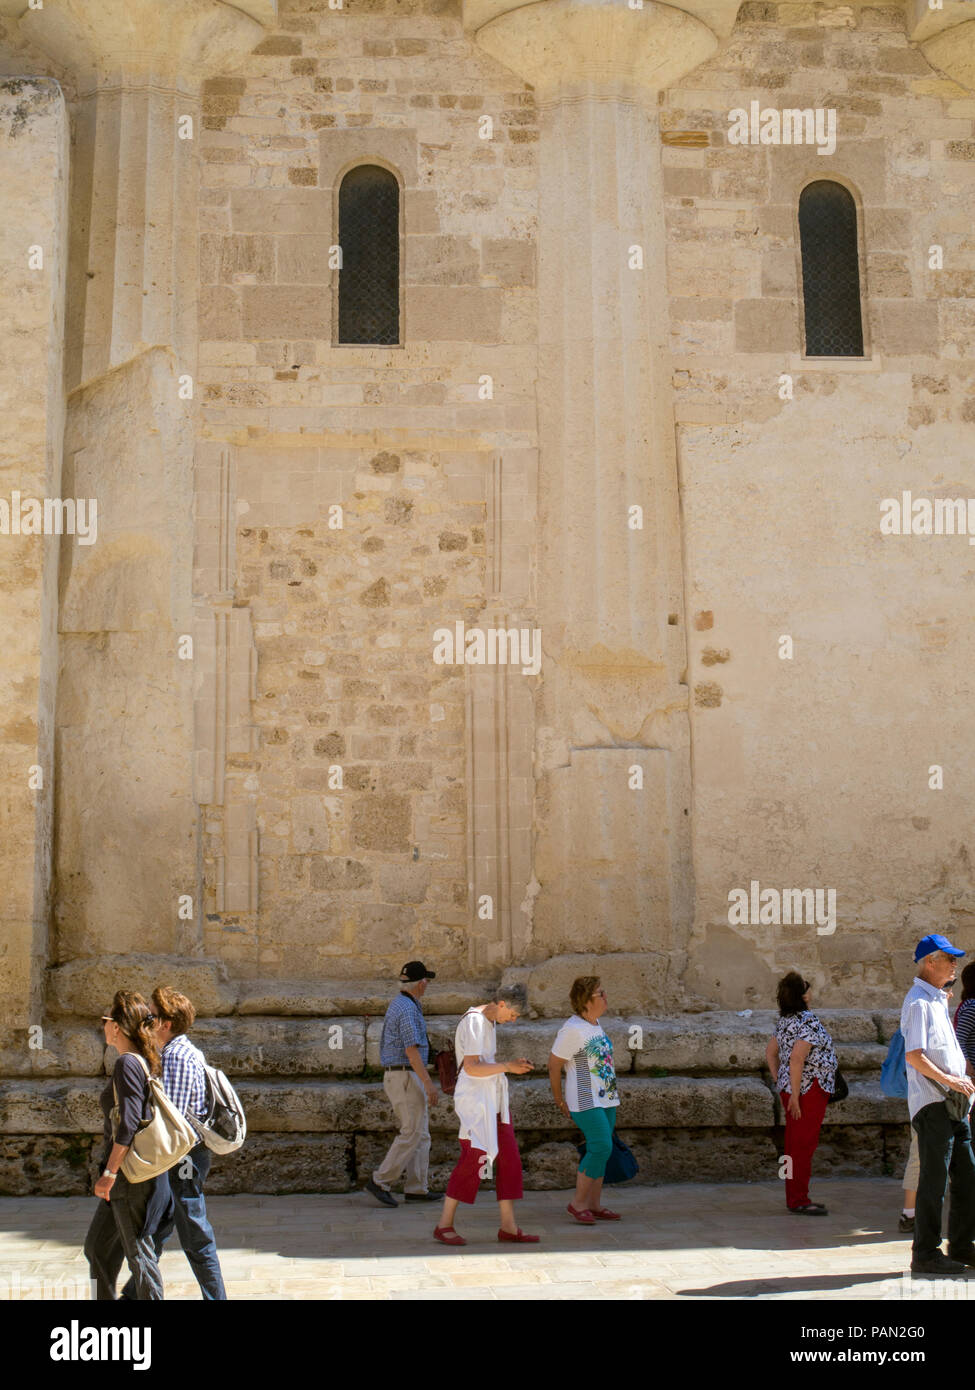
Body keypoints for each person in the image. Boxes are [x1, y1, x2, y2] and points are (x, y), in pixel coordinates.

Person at [120, 986, 226, 1300]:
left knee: (194, 1233)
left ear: (166, 1023)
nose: (145, 1020)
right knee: (157, 1229)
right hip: (179, 1158)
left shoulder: (177, 1056)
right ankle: (132, 1295)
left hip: (182, 1160)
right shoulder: (174, 1051)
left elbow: (174, 1124)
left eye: (151, 1015)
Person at [84, 991, 173, 1300]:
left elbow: (130, 1123)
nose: (103, 1025)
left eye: (105, 1020)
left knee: (139, 1255)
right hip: (128, 1177)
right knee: (97, 1249)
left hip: (128, 1177)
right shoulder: (140, 1061)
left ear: (117, 1027)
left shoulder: (127, 1063)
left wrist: (109, 1171)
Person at [434, 985, 536, 1245]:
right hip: (477, 1102)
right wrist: (507, 1067)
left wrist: (509, 1067)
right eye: (512, 1014)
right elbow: (471, 1068)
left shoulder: (488, 1022)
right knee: (475, 1157)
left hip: (494, 1101)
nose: (513, 1020)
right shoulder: (476, 1022)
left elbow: (482, 1063)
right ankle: (444, 1224)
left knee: (509, 1159)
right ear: (501, 1003)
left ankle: (508, 1227)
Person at [902, 934, 975, 1276]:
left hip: (953, 1104)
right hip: (933, 1104)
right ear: (930, 962)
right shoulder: (918, 1002)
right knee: (934, 1180)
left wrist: (963, 1089)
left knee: (968, 1175)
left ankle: (961, 1245)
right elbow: (915, 1056)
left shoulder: (936, 1000)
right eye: (949, 958)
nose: (954, 964)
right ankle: (926, 1252)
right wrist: (951, 1082)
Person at [548, 976, 622, 1225]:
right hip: (584, 1099)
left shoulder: (594, 1024)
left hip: (606, 1098)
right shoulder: (572, 1029)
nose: (605, 997)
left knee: (602, 1150)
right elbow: (554, 1064)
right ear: (586, 1001)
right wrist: (559, 1100)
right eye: (600, 993)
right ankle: (577, 1203)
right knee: (601, 1147)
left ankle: (594, 1204)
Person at [366, 961, 440, 1207]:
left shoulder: (402, 1003)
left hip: (404, 1074)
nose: (427, 985)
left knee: (422, 1134)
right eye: (426, 981)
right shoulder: (408, 1009)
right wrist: (429, 1084)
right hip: (405, 1076)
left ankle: (417, 1188)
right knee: (411, 1132)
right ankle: (380, 1181)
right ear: (421, 983)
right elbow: (411, 1051)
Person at [765, 971, 837, 1215]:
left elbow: (770, 1053)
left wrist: (781, 1082)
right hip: (808, 1091)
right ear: (804, 995)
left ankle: (795, 1197)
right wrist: (795, 1095)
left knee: (794, 1145)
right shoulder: (807, 1020)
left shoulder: (785, 1021)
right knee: (803, 1145)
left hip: (793, 1089)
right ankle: (799, 1199)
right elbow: (797, 1058)